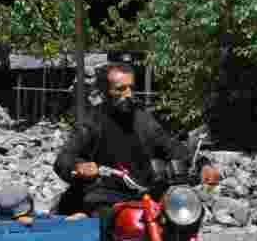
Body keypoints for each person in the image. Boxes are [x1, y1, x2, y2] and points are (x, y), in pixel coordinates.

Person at [52, 62, 221, 227]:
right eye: (120, 89)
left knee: (183, 220)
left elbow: (173, 148)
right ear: (104, 92)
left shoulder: (143, 120)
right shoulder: (92, 123)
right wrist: (79, 166)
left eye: (130, 87)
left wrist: (202, 165)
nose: (128, 94)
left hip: (145, 196)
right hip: (105, 197)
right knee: (103, 226)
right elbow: (63, 159)